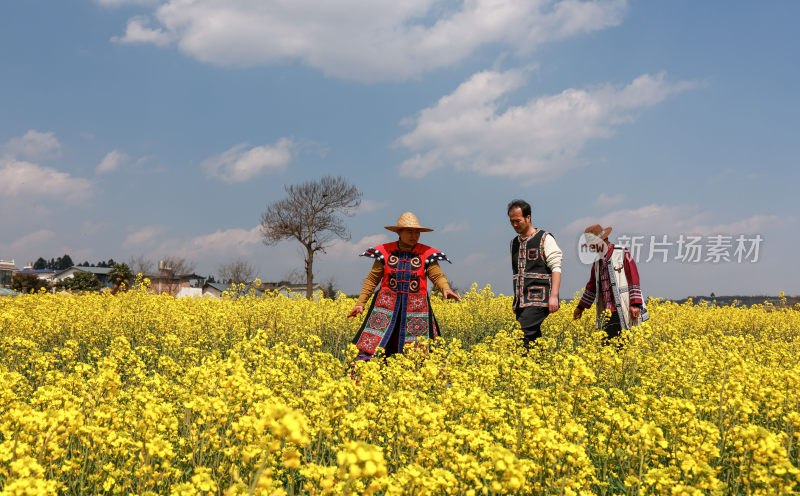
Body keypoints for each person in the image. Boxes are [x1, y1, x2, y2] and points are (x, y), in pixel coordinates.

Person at [348, 212, 460, 360]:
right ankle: (362, 378)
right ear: (398, 232)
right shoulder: (384, 252)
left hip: (416, 309)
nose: (414, 235)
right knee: (373, 345)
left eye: (417, 232)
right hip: (385, 308)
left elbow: (437, 275)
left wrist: (446, 289)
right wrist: (360, 303)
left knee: (420, 351)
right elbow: (372, 279)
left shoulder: (426, 253)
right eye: (409, 232)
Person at [573, 224, 647, 342]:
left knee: (625, 343)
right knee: (607, 348)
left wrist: (635, 304)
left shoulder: (622, 253)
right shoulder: (597, 262)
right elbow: (592, 286)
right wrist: (580, 307)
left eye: (593, 245)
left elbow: (634, 278)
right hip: (606, 312)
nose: (592, 248)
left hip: (623, 307)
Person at [507, 199, 562, 348]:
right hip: (521, 302)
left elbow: (556, 267)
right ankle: (539, 367)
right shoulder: (514, 243)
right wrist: (516, 301)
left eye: (518, 221)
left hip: (540, 299)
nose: (514, 225)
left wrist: (554, 296)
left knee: (517, 336)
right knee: (532, 342)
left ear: (528, 218)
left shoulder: (545, 238)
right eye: (512, 221)